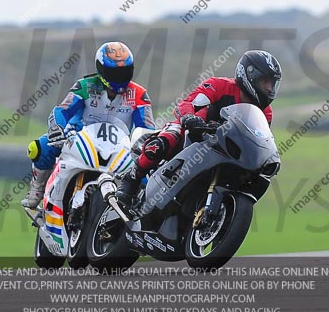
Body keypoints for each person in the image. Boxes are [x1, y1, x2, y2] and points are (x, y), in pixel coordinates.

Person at [115, 50, 282, 208]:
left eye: (272, 84)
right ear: (249, 75)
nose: (269, 88)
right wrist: (190, 118)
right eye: (265, 82)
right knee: (164, 142)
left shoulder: (265, 112)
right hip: (194, 132)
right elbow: (187, 103)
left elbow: (259, 138)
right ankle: (132, 178)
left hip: (225, 150)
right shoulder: (219, 85)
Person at [22, 41, 155, 208]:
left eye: (124, 71)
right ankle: (37, 187)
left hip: (119, 147)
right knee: (39, 147)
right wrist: (57, 128)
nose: (120, 77)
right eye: (114, 72)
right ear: (101, 70)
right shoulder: (84, 86)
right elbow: (62, 110)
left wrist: (148, 149)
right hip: (78, 139)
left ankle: (140, 209)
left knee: (148, 172)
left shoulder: (140, 95)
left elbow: (147, 129)